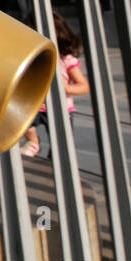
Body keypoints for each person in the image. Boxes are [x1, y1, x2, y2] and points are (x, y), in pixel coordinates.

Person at [22, 12, 90, 157]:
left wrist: (65, 87)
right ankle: (34, 141)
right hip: (37, 105)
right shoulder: (32, 55)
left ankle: (54, 163)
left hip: (62, 108)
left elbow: (83, 85)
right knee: (21, 123)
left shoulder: (65, 58)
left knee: (60, 148)